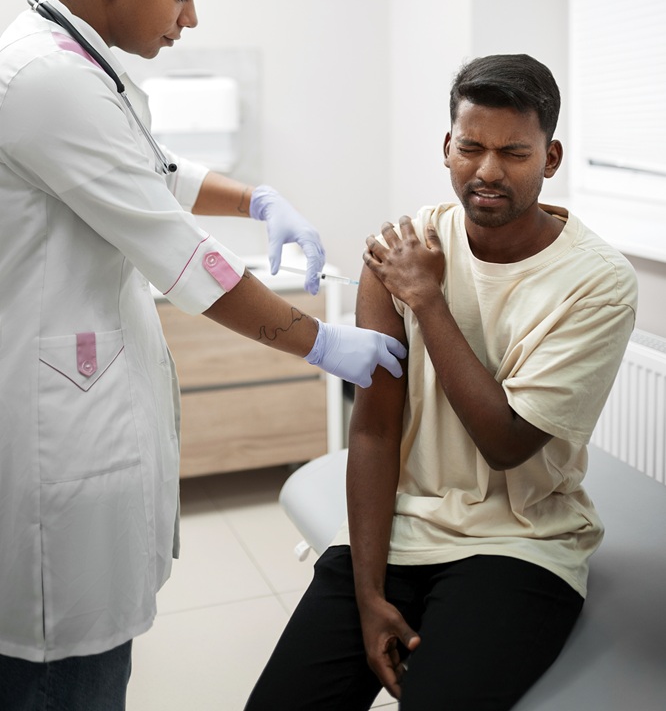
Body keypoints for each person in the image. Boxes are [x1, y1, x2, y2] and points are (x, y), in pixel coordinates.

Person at [0, 0, 406, 710]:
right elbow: (182, 257)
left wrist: (259, 199)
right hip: (49, 438)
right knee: (66, 675)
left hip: (76, 402)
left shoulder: (77, 62)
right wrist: (322, 343)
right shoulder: (46, 80)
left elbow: (157, 170)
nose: (191, 18)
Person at [244, 54, 638, 711]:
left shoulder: (597, 282)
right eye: (471, 147)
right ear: (447, 147)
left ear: (551, 158)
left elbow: (506, 443)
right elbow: (374, 429)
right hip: (400, 527)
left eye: (514, 152)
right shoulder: (400, 251)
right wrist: (368, 594)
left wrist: (428, 300)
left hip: (520, 544)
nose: (488, 171)